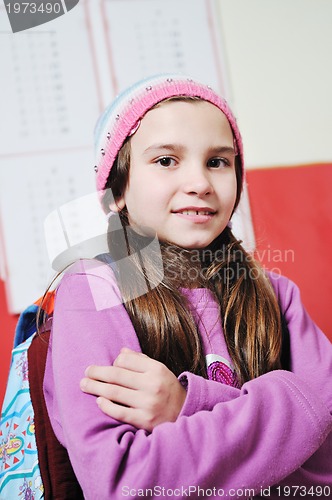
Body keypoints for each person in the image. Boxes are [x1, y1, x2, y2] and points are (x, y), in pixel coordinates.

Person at [43, 74, 332, 499]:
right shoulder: (95, 289)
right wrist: (289, 402)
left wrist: (184, 407)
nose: (200, 182)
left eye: (218, 161)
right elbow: (127, 483)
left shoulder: (277, 294)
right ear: (115, 193)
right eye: (166, 161)